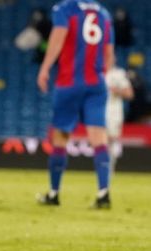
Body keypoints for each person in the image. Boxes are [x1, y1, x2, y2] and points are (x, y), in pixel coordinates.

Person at [36, 0, 114, 209]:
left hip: (69, 82)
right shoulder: (104, 14)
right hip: (96, 83)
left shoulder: (64, 9)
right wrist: (103, 76)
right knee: (99, 137)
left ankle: (54, 193)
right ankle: (103, 193)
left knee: (60, 136)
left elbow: (58, 37)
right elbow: (109, 54)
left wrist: (44, 68)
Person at [105, 65, 134, 172]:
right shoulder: (92, 71)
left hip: (113, 113)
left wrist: (116, 90)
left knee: (111, 140)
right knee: (100, 141)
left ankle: (109, 169)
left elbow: (129, 94)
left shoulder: (117, 73)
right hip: (96, 111)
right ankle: (102, 169)